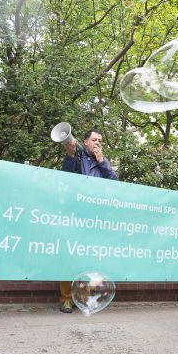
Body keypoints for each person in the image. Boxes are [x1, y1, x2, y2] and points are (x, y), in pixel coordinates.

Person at [59, 129, 118, 313]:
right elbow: (66, 180)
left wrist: (103, 162)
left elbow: (115, 184)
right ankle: (66, 298)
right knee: (70, 257)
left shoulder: (103, 161)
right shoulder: (77, 157)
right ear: (85, 142)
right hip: (76, 215)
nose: (97, 143)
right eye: (94, 140)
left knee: (88, 258)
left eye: (100, 140)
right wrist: (69, 155)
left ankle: (83, 297)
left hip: (95, 218)